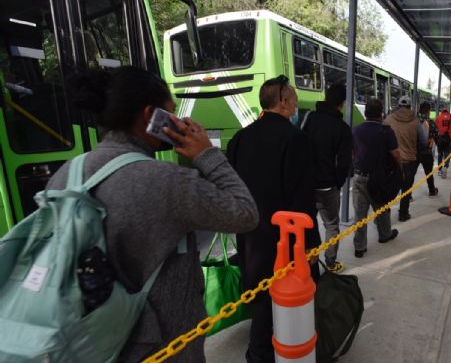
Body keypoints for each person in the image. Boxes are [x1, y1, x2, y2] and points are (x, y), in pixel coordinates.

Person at [46, 66, 259, 363]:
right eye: (171, 113)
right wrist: (205, 153)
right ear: (150, 116)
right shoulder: (167, 180)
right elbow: (245, 213)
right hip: (162, 347)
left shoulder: (67, 175)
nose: (177, 121)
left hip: (86, 342)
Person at [226, 75, 320, 363]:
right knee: (278, 292)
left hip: (249, 231)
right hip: (285, 236)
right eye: (293, 98)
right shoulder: (296, 139)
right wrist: (310, 243)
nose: (295, 103)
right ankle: (261, 352)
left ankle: (265, 345)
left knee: (258, 287)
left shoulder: (240, 138)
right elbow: (303, 195)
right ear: (283, 102)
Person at [300, 82, 352, 273]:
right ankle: (330, 263)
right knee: (331, 225)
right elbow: (344, 163)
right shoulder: (343, 128)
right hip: (327, 187)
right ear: (342, 103)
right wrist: (337, 183)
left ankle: (307, 262)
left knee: (306, 224)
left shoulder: (309, 118)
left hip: (306, 185)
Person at [351, 99, 400, 258]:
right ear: (381, 114)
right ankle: (384, 235)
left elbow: (353, 153)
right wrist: (399, 169)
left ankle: (359, 248)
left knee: (360, 214)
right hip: (378, 178)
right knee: (382, 208)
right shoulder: (386, 131)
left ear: (365, 113)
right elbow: (395, 154)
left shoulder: (355, 130)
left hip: (359, 176)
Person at [384, 95, 420, 222]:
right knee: (406, 189)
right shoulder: (416, 121)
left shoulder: (388, 119)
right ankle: (403, 214)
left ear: (398, 106)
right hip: (409, 161)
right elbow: (423, 141)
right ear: (410, 107)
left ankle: (383, 217)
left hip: (392, 161)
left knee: (388, 190)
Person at [418, 102, 439, 196]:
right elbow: (436, 135)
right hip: (427, 152)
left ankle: (408, 196)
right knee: (429, 173)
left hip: (415, 152)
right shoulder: (431, 122)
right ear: (429, 111)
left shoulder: (415, 121)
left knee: (409, 176)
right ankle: (432, 191)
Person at [435, 107, 451, 178]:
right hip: (449, 139)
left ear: (442, 111)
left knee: (440, 154)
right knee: (447, 154)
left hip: (440, 139)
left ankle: (439, 169)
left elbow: (435, 128)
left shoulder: (438, 117)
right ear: (448, 111)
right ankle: (445, 167)